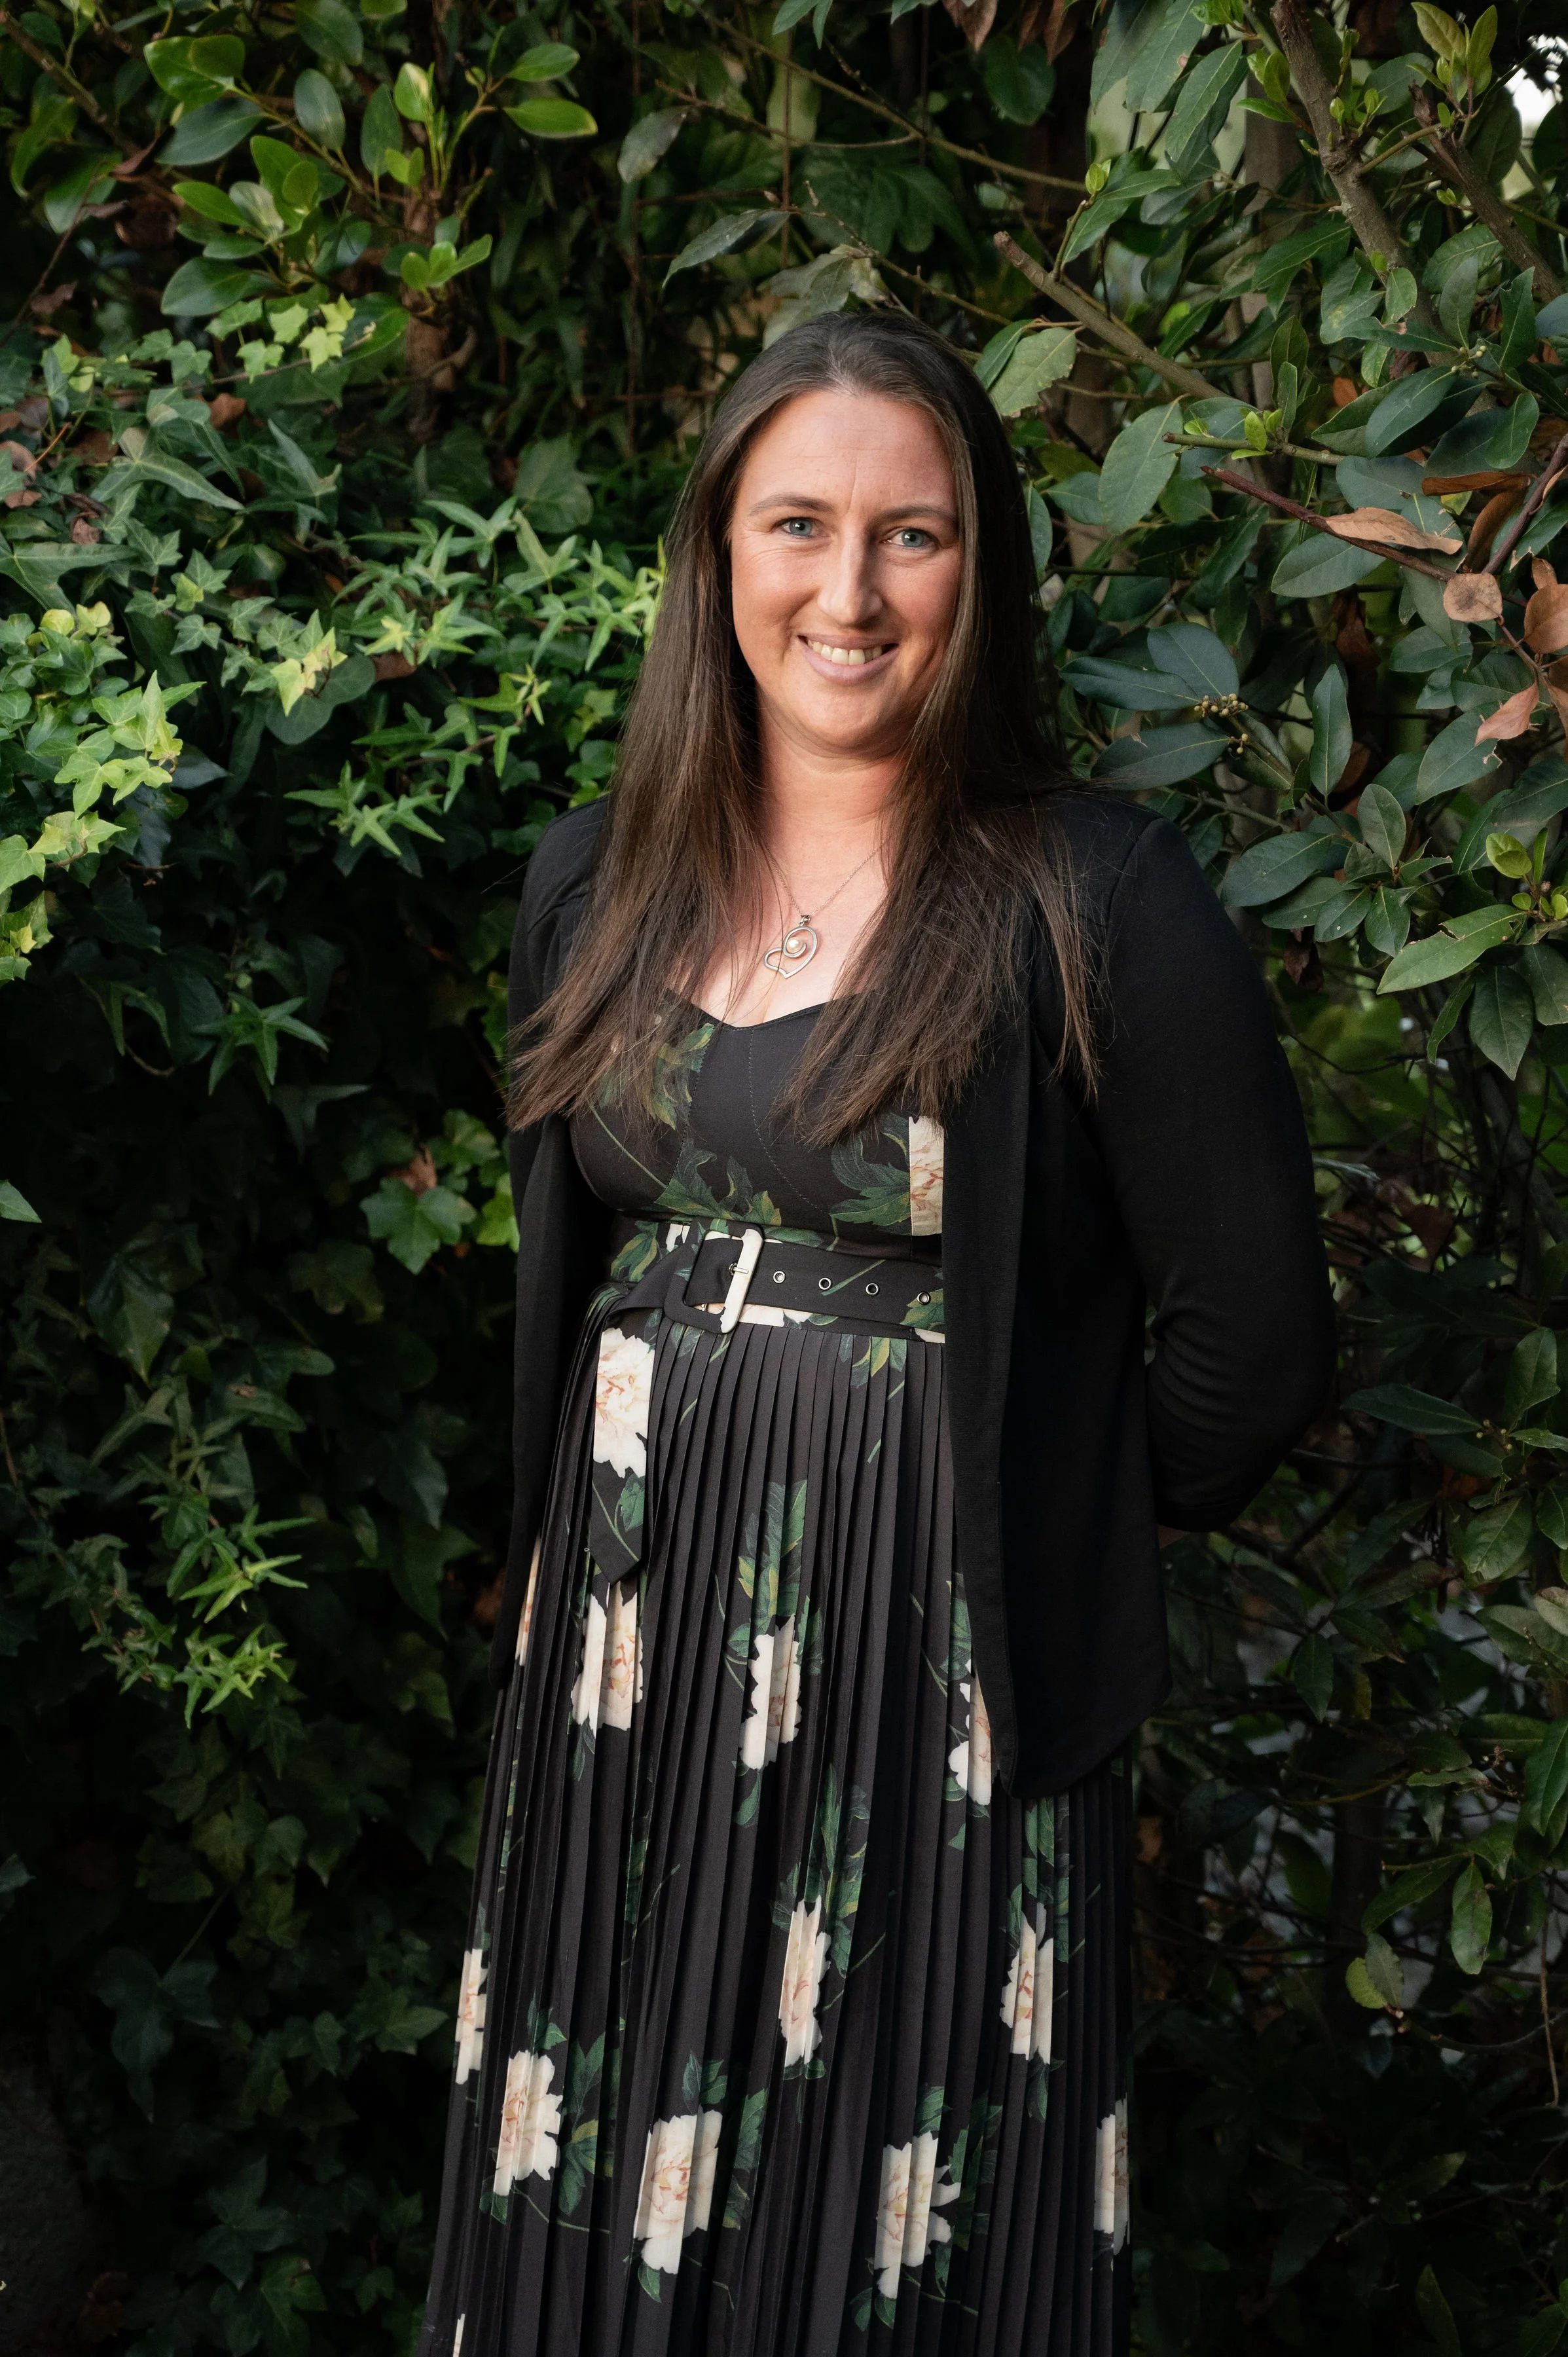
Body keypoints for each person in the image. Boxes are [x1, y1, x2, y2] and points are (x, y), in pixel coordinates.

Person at [417, 310, 1334, 2357]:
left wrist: (1016, 1511)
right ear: (718, 556)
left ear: (978, 571)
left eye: (910, 538)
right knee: (601, 2195)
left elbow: (1253, 1346)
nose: (849, 593)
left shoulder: (1093, 898)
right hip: (625, 1690)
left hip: (944, 1697)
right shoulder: (596, 889)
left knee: (898, 2232)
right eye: (800, 525)